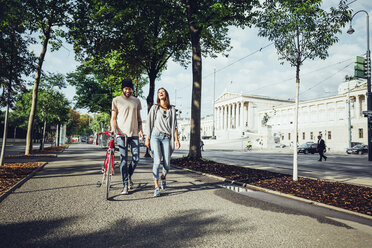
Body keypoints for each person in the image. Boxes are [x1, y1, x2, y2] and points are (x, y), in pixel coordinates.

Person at [145, 88, 180, 197]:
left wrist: (177, 139)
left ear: (166, 95)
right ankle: (156, 187)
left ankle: (163, 177)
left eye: (163, 91)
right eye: (159, 92)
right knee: (156, 161)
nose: (160, 93)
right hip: (155, 136)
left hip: (166, 137)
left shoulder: (172, 109)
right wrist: (147, 138)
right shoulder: (155, 108)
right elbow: (149, 123)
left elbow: (174, 126)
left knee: (167, 164)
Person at [110, 78, 143, 195]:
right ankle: (125, 185)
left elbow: (139, 118)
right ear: (123, 89)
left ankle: (128, 176)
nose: (128, 91)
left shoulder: (136, 101)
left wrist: (141, 131)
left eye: (130, 89)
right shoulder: (116, 100)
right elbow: (113, 118)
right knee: (123, 160)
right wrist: (113, 129)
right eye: (126, 88)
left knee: (136, 158)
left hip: (134, 134)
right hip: (121, 134)